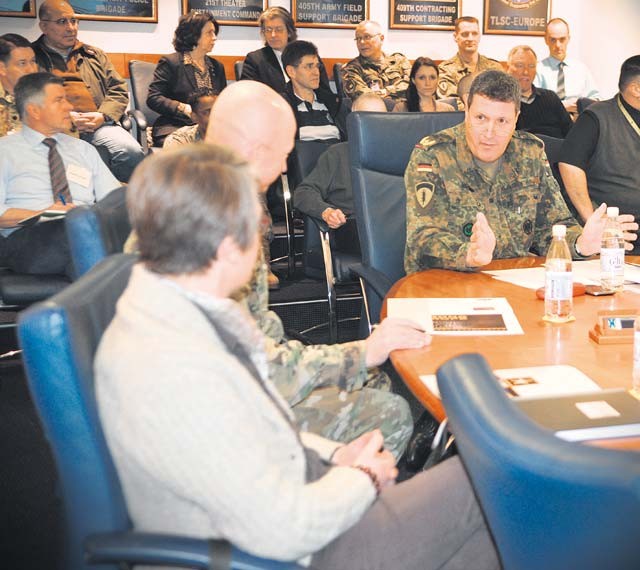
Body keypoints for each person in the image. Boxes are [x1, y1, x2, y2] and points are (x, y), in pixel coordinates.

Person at [95, 142, 500, 570]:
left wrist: (335, 456)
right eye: (256, 231)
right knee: (488, 480)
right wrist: (361, 477)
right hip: (292, 549)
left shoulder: (180, 308)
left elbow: (260, 421)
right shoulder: (179, 368)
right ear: (229, 248)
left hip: (293, 491)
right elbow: (283, 529)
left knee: (489, 534)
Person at [205, 81, 418, 458]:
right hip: (237, 408)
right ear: (255, 149)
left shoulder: (212, 200)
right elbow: (257, 368)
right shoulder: (212, 227)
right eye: (284, 153)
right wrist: (363, 352)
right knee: (392, 413)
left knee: (378, 383)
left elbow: (258, 335)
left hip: (256, 373)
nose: (284, 166)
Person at [404, 70, 637, 274]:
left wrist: (580, 244)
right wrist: (469, 254)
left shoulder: (530, 153)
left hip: (515, 282)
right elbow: (422, 237)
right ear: (466, 111)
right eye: (481, 118)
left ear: (516, 118)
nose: (489, 132)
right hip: (447, 282)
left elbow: (553, 224)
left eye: (502, 121)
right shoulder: (433, 154)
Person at [0, 73, 118, 276]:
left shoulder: (83, 150)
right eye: (59, 100)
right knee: (80, 229)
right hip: (29, 238)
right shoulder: (5, 151)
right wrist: (47, 213)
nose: (69, 106)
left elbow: (114, 199)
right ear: (34, 110)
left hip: (85, 231)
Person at [32, 0, 144, 182]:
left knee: (131, 151)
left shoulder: (94, 55)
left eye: (73, 21)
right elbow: (26, 96)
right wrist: (64, 117)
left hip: (98, 124)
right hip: (53, 128)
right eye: (62, 22)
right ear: (43, 26)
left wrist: (103, 115)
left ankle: (120, 198)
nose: (71, 28)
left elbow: (118, 89)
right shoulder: (31, 57)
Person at [558, 55, 640, 240]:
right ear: (636, 89)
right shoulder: (596, 117)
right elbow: (569, 165)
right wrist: (593, 221)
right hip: (615, 230)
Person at [295, 93, 387, 253]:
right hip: (354, 226)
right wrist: (327, 212)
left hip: (393, 223)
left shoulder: (399, 154)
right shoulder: (337, 154)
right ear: (354, 121)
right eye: (368, 117)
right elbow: (303, 192)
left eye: (382, 118)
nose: (376, 123)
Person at [147, 11, 227, 147]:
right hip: (175, 126)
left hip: (209, 129)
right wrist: (183, 108)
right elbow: (154, 98)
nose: (214, 38)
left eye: (215, 33)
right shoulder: (171, 62)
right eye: (209, 33)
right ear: (194, 35)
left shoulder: (217, 66)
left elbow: (223, 101)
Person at [241, 6, 330, 93]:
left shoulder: (309, 56)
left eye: (279, 29)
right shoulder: (255, 60)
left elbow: (325, 92)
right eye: (268, 30)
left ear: (289, 32)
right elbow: (248, 94)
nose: (273, 35)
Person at [281, 40, 342, 142]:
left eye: (317, 66)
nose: (316, 72)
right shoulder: (282, 107)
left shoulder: (333, 103)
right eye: (309, 66)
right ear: (291, 71)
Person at [506, 45, 572, 138]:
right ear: (508, 69)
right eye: (520, 65)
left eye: (531, 66)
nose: (526, 72)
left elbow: (571, 132)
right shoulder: (504, 102)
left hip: (558, 145)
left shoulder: (551, 97)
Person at [535, 18, 599, 114]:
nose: (558, 45)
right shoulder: (537, 70)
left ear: (568, 39)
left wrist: (582, 105)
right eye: (553, 40)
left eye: (562, 39)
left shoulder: (581, 69)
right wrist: (562, 106)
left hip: (579, 118)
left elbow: (597, 98)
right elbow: (534, 105)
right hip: (550, 120)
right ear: (546, 40)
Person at [342, 20, 410, 107]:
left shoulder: (399, 60)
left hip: (406, 112)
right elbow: (365, 98)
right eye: (358, 38)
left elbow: (413, 86)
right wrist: (397, 94)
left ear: (381, 38)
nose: (361, 42)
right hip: (375, 113)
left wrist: (387, 91)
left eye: (367, 37)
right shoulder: (351, 69)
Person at [437, 16, 502, 99]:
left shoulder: (495, 68)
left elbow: (504, 97)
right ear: (455, 37)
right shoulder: (445, 70)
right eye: (465, 34)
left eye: (474, 34)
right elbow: (451, 102)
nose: (470, 38)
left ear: (479, 36)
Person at [0, 34, 38, 137]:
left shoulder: (44, 96)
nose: (32, 70)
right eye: (22, 63)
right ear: (2, 68)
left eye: (33, 61)